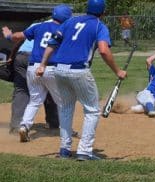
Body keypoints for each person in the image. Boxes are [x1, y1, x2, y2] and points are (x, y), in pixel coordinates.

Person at [36, 0, 127, 161]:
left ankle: (64, 149)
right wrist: (118, 71)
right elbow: (104, 51)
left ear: (87, 9)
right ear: (103, 12)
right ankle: (84, 151)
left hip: (59, 69)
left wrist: (43, 64)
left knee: (65, 108)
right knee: (92, 110)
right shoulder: (99, 26)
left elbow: (52, 43)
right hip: (79, 70)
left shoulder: (71, 21)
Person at [2, 4, 72, 141]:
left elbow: (19, 37)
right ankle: (62, 129)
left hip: (28, 64)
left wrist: (9, 37)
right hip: (47, 66)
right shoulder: (65, 29)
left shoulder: (38, 25)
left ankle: (22, 126)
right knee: (61, 100)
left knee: (31, 98)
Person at [0, 40, 59, 134]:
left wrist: (12, 56)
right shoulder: (59, 29)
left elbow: (19, 41)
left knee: (21, 90)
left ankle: (16, 126)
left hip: (21, 57)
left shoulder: (35, 26)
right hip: (40, 58)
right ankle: (53, 123)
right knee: (49, 89)